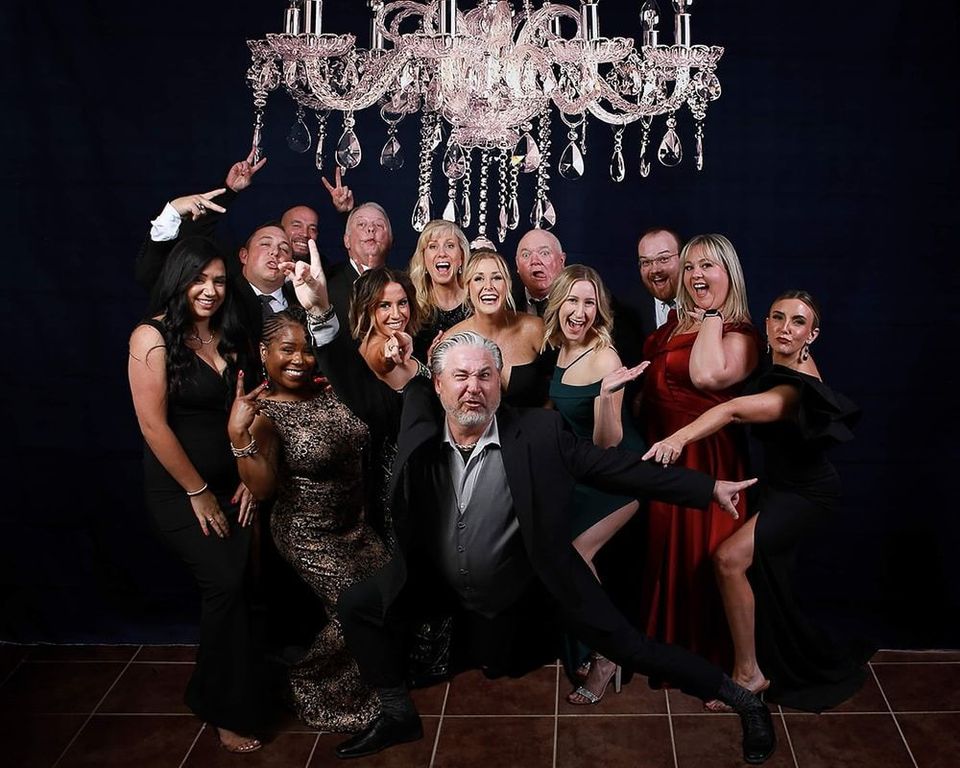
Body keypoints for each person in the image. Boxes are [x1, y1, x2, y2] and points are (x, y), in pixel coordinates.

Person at [644, 290, 869, 712]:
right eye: (778, 318)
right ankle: (766, 658)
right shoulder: (780, 364)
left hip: (807, 493)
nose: (786, 328)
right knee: (765, 577)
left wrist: (677, 438)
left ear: (812, 334)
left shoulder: (800, 388)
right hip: (778, 486)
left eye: (798, 322)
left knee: (729, 560)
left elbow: (733, 412)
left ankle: (749, 674)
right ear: (765, 324)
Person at [127, 236, 264, 753]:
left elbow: (254, 409)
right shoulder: (152, 337)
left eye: (219, 281)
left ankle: (216, 689)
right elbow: (152, 426)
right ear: (178, 280)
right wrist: (199, 491)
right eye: (199, 280)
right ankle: (222, 707)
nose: (209, 290)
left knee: (241, 589)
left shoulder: (230, 335)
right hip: (181, 491)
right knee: (224, 585)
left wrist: (250, 474)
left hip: (237, 484)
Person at [226, 309, 390, 731]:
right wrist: (238, 438)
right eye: (287, 349)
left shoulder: (330, 388)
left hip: (353, 523)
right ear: (264, 353)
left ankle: (363, 677)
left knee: (389, 593)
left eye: (307, 350)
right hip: (307, 531)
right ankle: (306, 681)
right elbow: (261, 490)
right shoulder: (263, 413)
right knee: (356, 605)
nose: (300, 358)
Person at [639, 233, 761, 667]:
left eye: (707, 266)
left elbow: (708, 376)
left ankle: (715, 661)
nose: (695, 275)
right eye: (689, 267)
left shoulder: (740, 333)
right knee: (663, 555)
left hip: (708, 458)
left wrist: (710, 314)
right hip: (665, 455)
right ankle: (670, 653)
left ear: (729, 272)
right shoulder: (675, 323)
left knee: (703, 558)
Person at [542, 265, 649, 703]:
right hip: (583, 472)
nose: (580, 311)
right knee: (555, 555)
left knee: (575, 554)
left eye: (589, 302)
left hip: (619, 471)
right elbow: (558, 410)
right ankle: (591, 644)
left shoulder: (605, 357)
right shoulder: (561, 350)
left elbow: (608, 441)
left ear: (598, 309)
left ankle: (608, 655)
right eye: (572, 300)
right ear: (559, 304)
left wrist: (606, 396)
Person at [446, 249, 550, 407]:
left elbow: (558, 384)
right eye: (479, 278)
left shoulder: (535, 328)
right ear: (467, 287)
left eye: (496, 278)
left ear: (507, 285)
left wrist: (545, 424)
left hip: (536, 427)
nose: (488, 286)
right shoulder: (452, 340)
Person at [348, 266, 425, 390]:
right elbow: (380, 358)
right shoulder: (372, 348)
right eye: (385, 305)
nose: (396, 315)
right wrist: (388, 354)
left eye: (402, 303)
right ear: (366, 310)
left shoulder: (401, 340)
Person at [407, 219, 471, 358]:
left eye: (450, 245)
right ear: (423, 259)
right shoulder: (411, 307)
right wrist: (430, 363)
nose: (442, 253)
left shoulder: (476, 304)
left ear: (461, 258)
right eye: (433, 246)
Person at [326, 202, 394, 323]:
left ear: (390, 240)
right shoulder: (327, 282)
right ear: (347, 240)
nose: (371, 229)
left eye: (379, 225)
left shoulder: (403, 284)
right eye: (361, 224)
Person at [636, 227, 684, 337]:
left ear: (683, 259)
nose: (655, 270)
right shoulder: (629, 316)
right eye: (646, 262)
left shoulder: (704, 303)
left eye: (663, 259)